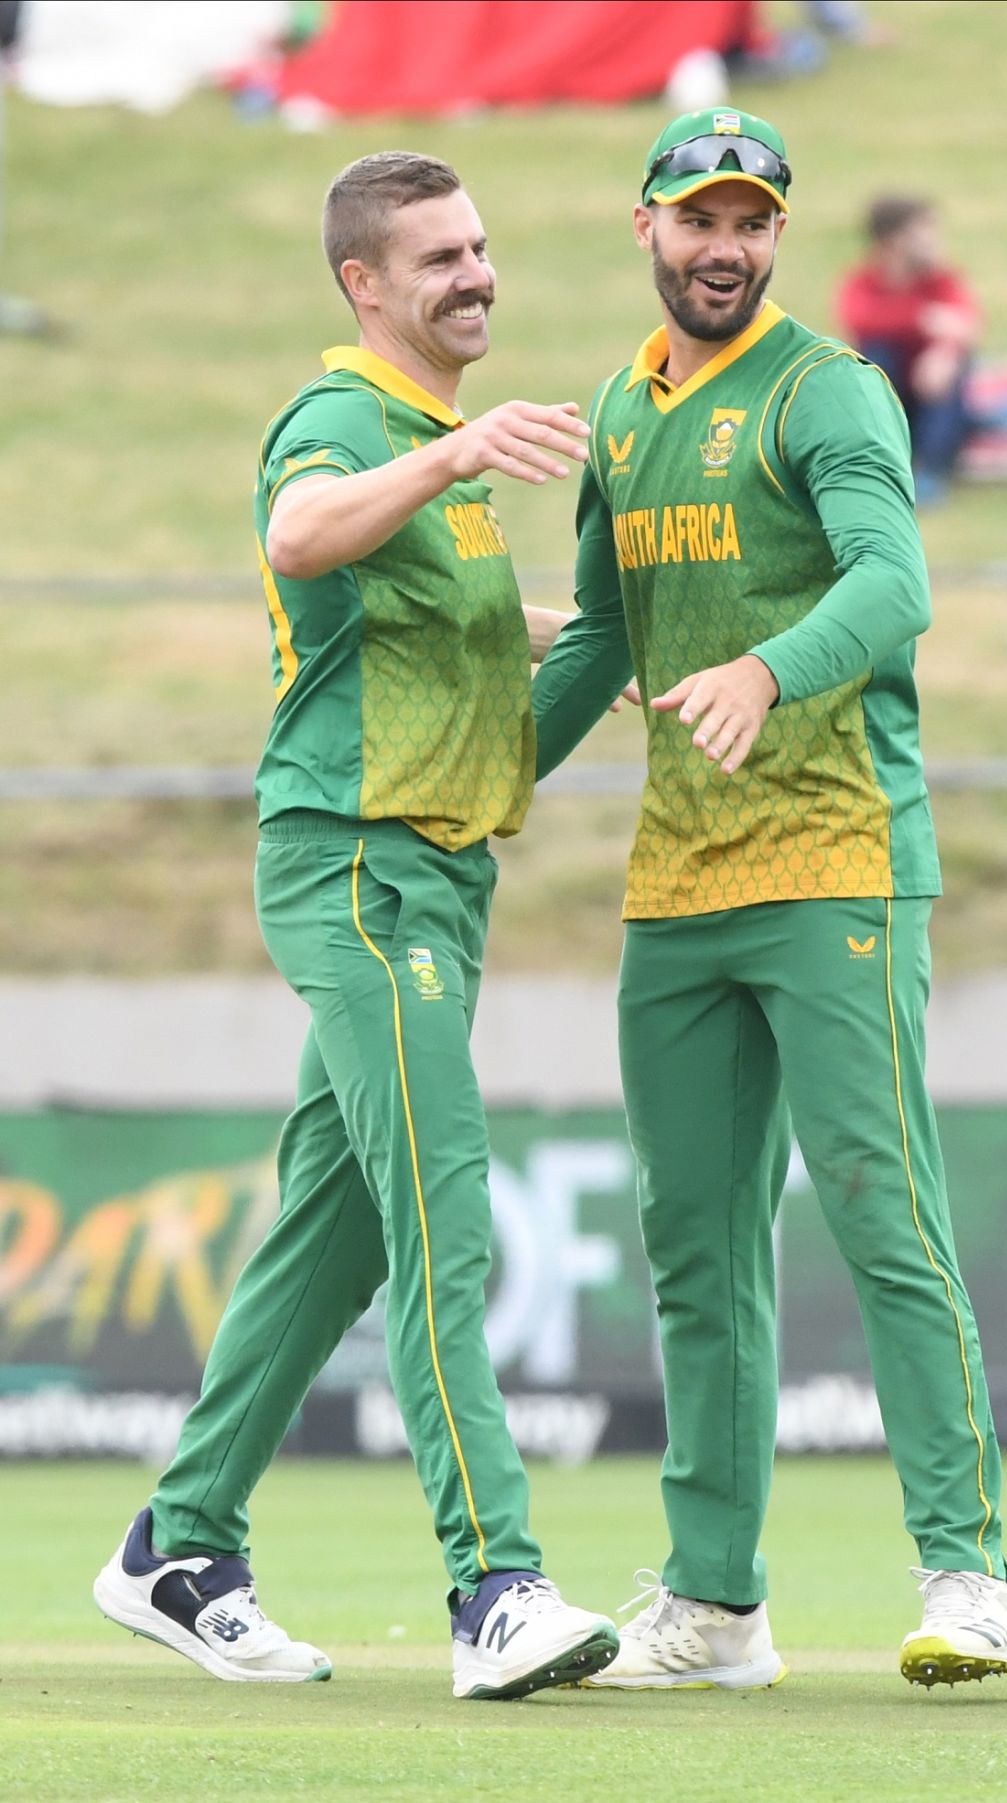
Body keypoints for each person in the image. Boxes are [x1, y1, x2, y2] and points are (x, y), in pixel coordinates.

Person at [92, 150, 619, 1703]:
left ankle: (179, 1542)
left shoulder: (434, 450)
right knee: (445, 1220)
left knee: (332, 1238)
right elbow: (302, 533)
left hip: (437, 873)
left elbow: (448, 627)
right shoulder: (344, 419)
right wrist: (454, 459)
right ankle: (496, 1584)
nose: (476, 273)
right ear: (363, 283)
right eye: (439, 256)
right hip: (357, 867)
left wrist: (591, 633)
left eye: (480, 245)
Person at [532, 108, 1007, 1691]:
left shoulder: (830, 389)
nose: (726, 244)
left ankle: (972, 1577)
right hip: (679, 882)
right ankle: (716, 1608)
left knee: (885, 1208)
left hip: (837, 858)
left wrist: (764, 667)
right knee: (695, 1248)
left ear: (777, 236)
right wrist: (480, 787)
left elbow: (895, 585)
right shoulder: (620, 410)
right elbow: (602, 634)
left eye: (752, 219)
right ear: (647, 226)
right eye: (700, 216)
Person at [835, 193, 979, 505]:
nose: (933, 240)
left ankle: (931, 467)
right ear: (892, 241)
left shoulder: (941, 280)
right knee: (875, 357)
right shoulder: (864, 282)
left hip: (933, 393)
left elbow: (964, 324)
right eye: (923, 230)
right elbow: (861, 320)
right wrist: (922, 318)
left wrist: (944, 351)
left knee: (953, 366)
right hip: (892, 387)